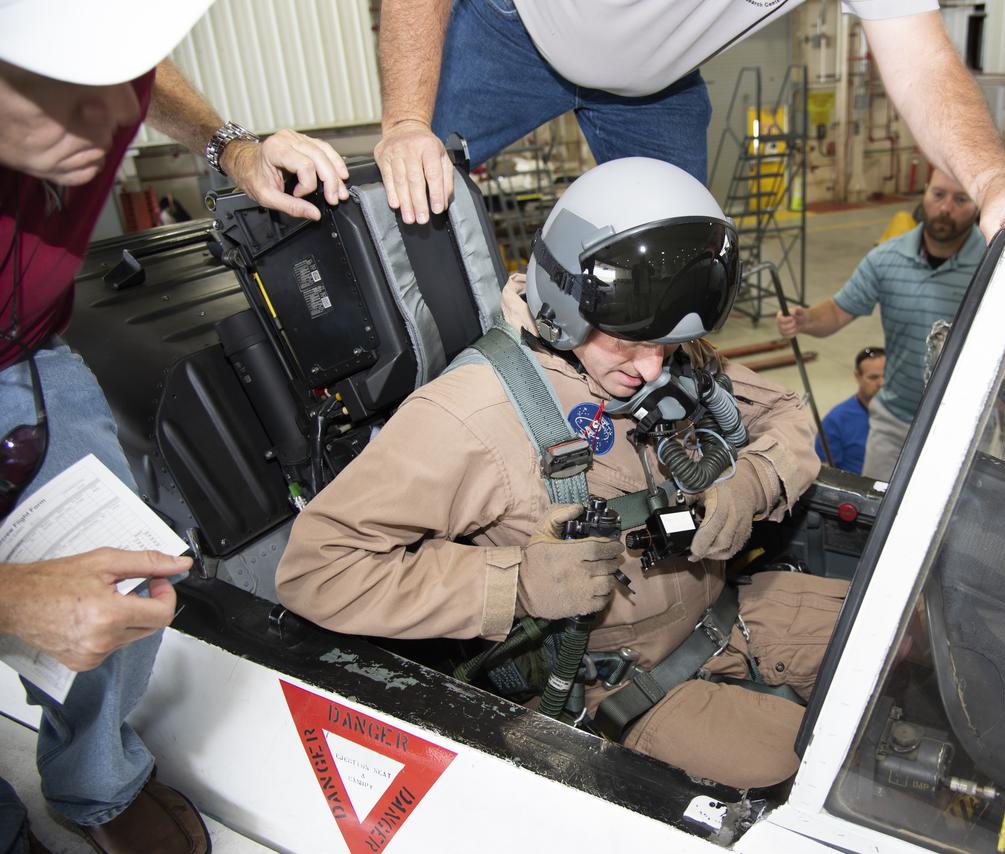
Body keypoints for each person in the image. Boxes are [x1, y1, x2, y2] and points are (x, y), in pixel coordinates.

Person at [276, 157, 849, 789]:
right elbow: (317, 570)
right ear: (563, 306)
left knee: (900, 643)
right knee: (808, 786)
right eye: (629, 345)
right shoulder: (473, 415)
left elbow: (788, 415)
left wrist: (751, 483)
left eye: (664, 345)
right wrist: (513, 583)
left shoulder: (665, 352)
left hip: (723, 611)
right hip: (610, 683)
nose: (653, 370)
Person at [0, 2, 349, 851]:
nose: (118, 113)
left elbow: (130, 72)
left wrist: (229, 144)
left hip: (28, 347)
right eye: (70, 86)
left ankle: (96, 784)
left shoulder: (101, 93)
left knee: (120, 574)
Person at [372, 0, 1005, 240]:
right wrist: (407, 118)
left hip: (656, 83)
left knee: (677, 256)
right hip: (517, 29)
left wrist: (993, 178)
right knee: (395, 199)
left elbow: (922, 60)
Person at [777, 169, 1005, 480]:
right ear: (925, 193)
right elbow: (837, 311)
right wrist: (806, 320)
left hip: (963, 427)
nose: (945, 208)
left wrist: (999, 385)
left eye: (960, 199)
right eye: (938, 195)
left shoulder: (996, 267)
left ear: (978, 207)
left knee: (951, 522)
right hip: (894, 422)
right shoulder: (886, 259)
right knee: (873, 515)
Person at [818, 346, 885, 474]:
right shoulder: (836, 421)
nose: (881, 383)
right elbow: (824, 470)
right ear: (857, 376)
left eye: (886, 375)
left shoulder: (904, 412)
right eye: (873, 377)